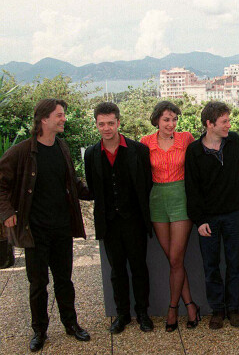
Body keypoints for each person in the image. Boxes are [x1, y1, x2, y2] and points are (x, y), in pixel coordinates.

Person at [0, 99, 91, 352]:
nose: (64, 119)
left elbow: (72, 183)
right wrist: (6, 212)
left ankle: (71, 325)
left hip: (61, 228)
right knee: (38, 284)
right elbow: (1, 183)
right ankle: (39, 331)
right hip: (36, 231)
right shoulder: (21, 151)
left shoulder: (62, 147)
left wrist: (96, 192)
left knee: (65, 280)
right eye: (59, 115)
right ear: (44, 119)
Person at [84, 102, 154, 334]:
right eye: (101, 124)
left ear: (118, 123)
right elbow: (93, 188)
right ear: (96, 125)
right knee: (117, 271)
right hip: (109, 223)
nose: (106, 128)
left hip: (134, 220)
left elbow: (147, 184)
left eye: (110, 123)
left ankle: (143, 312)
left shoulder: (139, 150)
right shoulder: (92, 153)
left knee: (139, 268)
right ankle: (122, 314)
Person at [184, 101, 239, 330]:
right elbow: (191, 189)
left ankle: (234, 309)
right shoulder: (193, 151)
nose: (229, 125)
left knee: (234, 264)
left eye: (229, 120)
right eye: (224, 121)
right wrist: (199, 221)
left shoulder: (234, 142)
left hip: (233, 216)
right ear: (209, 124)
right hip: (208, 219)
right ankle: (217, 310)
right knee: (211, 266)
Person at [140, 101, 199, 332]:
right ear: (157, 120)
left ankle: (172, 309)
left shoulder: (186, 138)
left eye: (174, 119)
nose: (171, 124)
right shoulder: (145, 142)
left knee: (176, 259)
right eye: (166, 119)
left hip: (181, 198)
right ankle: (191, 304)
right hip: (157, 201)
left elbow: (200, 163)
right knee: (173, 260)